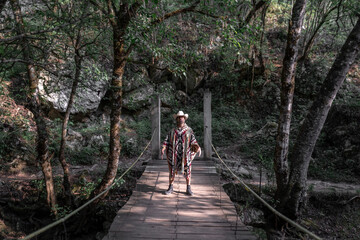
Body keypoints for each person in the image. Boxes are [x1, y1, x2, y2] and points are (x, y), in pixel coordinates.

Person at [161, 111, 201, 196]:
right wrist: (164, 148)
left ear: (184, 118)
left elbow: (193, 140)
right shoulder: (172, 131)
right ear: (176, 119)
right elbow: (167, 140)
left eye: (182, 117)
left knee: (188, 170)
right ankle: (170, 187)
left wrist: (197, 147)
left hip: (185, 155)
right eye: (178, 117)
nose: (180, 119)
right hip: (174, 155)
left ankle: (188, 188)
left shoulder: (189, 130)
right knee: (172, 170)